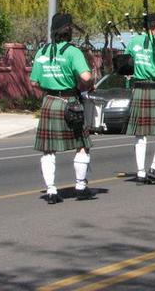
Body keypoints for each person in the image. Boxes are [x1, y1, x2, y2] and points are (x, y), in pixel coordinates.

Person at [30, 13, 95, 204]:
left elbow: (34, 82)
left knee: (48, 150)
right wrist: (90, 82)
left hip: (50, 102)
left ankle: (51, 192)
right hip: (70, 102)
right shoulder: (73, 52)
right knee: (82, 145)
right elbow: (85, 77)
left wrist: (49, 89)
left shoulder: (42, 51)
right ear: (69, 31)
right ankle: (81, 188)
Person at [124, 13, 155, 184]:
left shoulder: (133, 41)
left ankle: (141, 172)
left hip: (139, 88)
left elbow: (125, 63)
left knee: (140, 134)